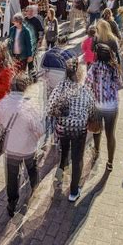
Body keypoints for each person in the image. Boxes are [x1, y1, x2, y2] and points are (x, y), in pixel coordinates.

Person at [0, 73, 44, 217]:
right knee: (32, 170)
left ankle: (12, 203)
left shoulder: (3, 103)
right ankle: (34, 187)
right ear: (25, 88)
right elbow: (40, 130)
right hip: (28, 149)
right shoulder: (30, 106)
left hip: (11, 148)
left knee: (12, 178)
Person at [47, 58, 97, 202]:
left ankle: (60, 174)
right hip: (79, 131)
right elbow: (93, 111)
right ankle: (73, 191)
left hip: (62, 129)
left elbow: (49, 109)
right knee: (77, 159)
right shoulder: (86, 91)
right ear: (80, 74)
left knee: (63, 152)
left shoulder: (60, 87)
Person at [86, 42, 121, 171]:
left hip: (98, 105)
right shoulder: (114, 66)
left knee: (97, 130)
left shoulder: (94, 67)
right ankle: (110, 162)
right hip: (112, 106)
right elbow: (119, 83)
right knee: (110, 134)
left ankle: (96, 151)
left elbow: (87, 83)